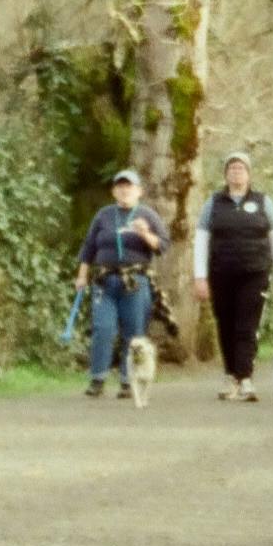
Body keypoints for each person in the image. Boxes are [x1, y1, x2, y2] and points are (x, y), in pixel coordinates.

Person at [193, 151, 273, 402]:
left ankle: (246, 377)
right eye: (232, 168)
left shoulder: (263, 202)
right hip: (221, 273)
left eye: (241, 168)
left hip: (254, 273)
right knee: (225, 324)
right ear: (226, 174)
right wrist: (200, 276)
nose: (236, 172)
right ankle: (230, 377)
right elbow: (201, 240)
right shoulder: (213, 203)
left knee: (246, 326)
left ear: (249, 174)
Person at [75, 168, 169, 400]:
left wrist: (146, 234)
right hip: (105, 279)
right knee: (103, 328)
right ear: (114, 191)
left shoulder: (148, 214)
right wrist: (82, 275)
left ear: (139, 191)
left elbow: (163, 246)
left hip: (135, 281)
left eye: (129, 186)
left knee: (134, 333)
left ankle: (129, 381)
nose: (124, 190)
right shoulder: (104, 215)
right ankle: (98, 378)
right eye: (120, 186)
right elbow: (89, 247)